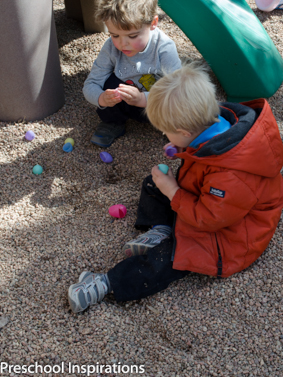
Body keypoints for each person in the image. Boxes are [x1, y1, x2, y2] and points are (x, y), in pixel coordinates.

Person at [68, 63, 283, 312]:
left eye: (166, 133)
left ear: (183, 131)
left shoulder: (232, 175)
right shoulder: (215, 125)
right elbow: (205, 165)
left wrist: (173, 191)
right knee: (153, 183)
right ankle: (163, 229)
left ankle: (106, 284)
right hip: (211, 203)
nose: (165, 138)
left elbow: (209, 218)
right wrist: (184, 151)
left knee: (168, 259)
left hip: (227, 235)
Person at [83, 0, 181, 147]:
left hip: (157, 106)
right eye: (114, 35)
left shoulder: (164, 48)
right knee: (109, 83)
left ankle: (172, 129)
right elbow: (91, 84)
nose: (122, 43)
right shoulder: (111, 48)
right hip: (127, 103)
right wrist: (102, 98)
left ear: (153, 23)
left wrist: (142, 99)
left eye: (132, 36)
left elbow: (177, 93)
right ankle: (114, 123)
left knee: (182, 99)